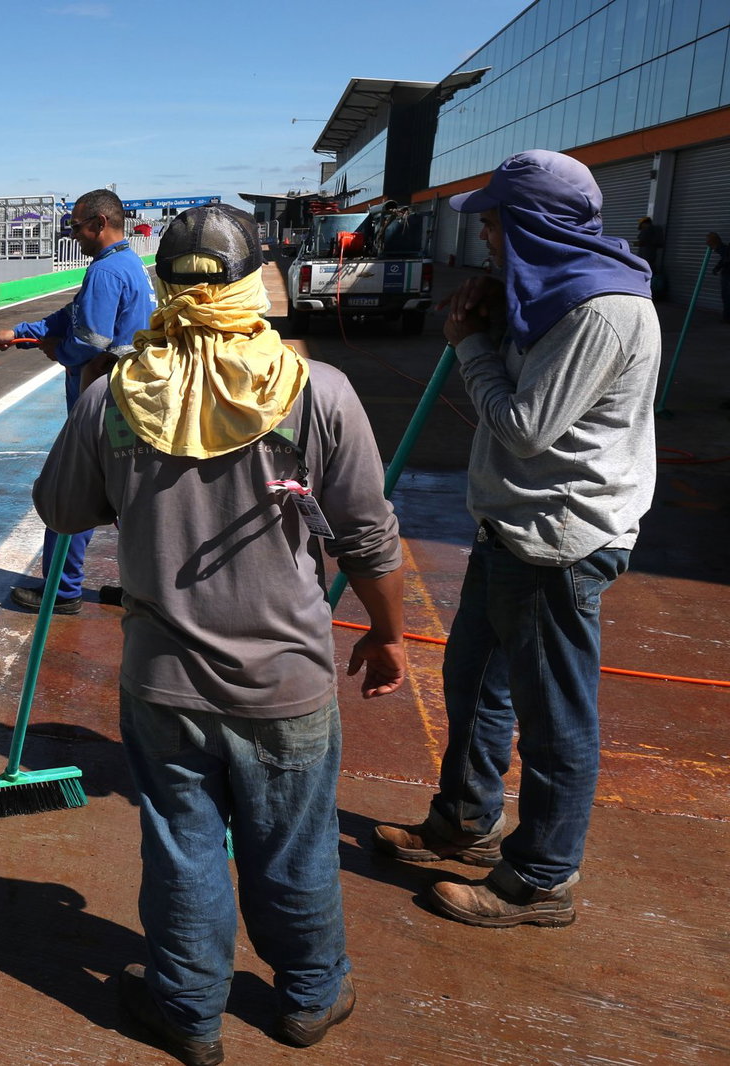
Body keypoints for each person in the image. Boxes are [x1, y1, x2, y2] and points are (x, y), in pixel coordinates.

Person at [33, 203, 407, 1063]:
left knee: (183, 849)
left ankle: (189, 1012)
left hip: (163, 681)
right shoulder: (316, 391)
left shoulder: (115, 396)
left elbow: (61, 510)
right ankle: (310, 997)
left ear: (163, 284)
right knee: (296, 847)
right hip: (287, 681)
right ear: (251, 283)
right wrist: (387, 633)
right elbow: (369, 536)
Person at [373, 150, 660, 928]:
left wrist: (468, 343)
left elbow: (526, 426)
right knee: (473, 683)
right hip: (511, 526)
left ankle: (540, 878)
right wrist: (492, 322)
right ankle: (466, 820)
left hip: (558, 541)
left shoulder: (599, 312)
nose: (486, 236)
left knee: (555, 719)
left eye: (495, 222)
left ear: (532, 224)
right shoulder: (549, 295)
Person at [0, 188, 155, 613]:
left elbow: (90, 339)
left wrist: (58, 351)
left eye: (76, 227)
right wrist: (21, 333)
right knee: (128, 500)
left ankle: (61, 592)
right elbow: (72, 315)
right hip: (127, 401)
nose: (73, 235)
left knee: (72, 493)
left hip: (103, 403)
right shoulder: (126, 264)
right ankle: (144, 589)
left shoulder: (106, 272)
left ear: (100, 223)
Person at [636, 215, 666, 300]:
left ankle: (646, 294)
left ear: (645, 223)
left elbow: (641, 240)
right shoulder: (655, 230)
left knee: (646, 277)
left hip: (646, 258)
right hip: (649, 258)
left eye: (642, 224)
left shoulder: (648, 230)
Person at [710, 231, 729, 322]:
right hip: (726, 274)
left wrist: (717, 268)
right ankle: (726, 317)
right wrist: (717, 268)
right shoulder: (725, 249)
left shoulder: (723, 249)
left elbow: (726, 259)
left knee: (727, 296)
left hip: (727, 275)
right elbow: (724, 258)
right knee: (726, 296)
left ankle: (727, 318)